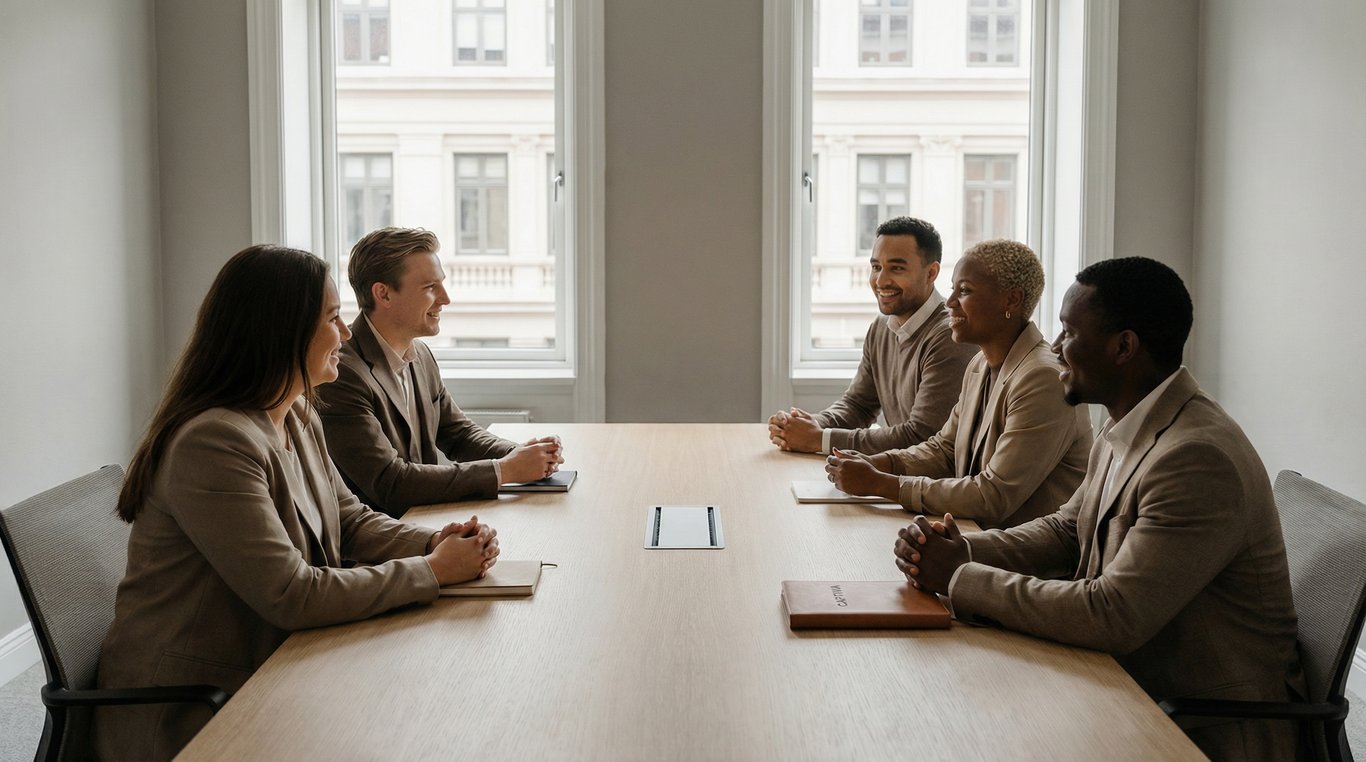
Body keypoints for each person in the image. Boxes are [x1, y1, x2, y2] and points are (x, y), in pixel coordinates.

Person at [94, 246, 500, 760]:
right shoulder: (214, 442)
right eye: (332, 319)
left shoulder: (298, 415)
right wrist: (433, 570)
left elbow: (350, 522)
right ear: (281, 332)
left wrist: (434, 541)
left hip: (276, 662)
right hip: (194, 709)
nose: (347, 334)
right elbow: (291, 593)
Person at [894, 257, 1303, 760]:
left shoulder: (1197, 458)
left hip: (1200, 724)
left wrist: (960, 575)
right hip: (1124, 680)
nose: (1055, 348)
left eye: (1068, 332)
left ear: (1123, 347)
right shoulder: (1129, 421)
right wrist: (959, 549)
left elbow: (1114, 613)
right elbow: (1068, 531)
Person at [823, 240, 1091, 529]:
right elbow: (945, 449)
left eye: (964, 291)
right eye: (952, 289)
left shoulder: (1043, 377)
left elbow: (993, 495)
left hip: (1023, 551)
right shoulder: (979, 364)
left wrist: (883, 484)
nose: (949, 302)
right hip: (972, 535)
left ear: (1011, 300)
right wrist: (879, 462)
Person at [317, 227, 564, 517]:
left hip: (426, 522)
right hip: (383, 536)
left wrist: (522, 455)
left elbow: (458, 434)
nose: (445, 299)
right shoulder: (341, 373)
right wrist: (505, 470)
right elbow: (391, 482)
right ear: (383, 294)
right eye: (430, 287)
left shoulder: (420, 354)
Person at [767, 217, 977, 454]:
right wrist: (806, 424)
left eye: (896, 268)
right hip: (895, 471)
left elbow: (921, 436)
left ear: (931, 273)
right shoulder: (881, 327)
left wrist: (819, 439)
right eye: (876, 267)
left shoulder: (951, 336)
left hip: (933, 476)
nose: (881, 280)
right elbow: (858, 405)